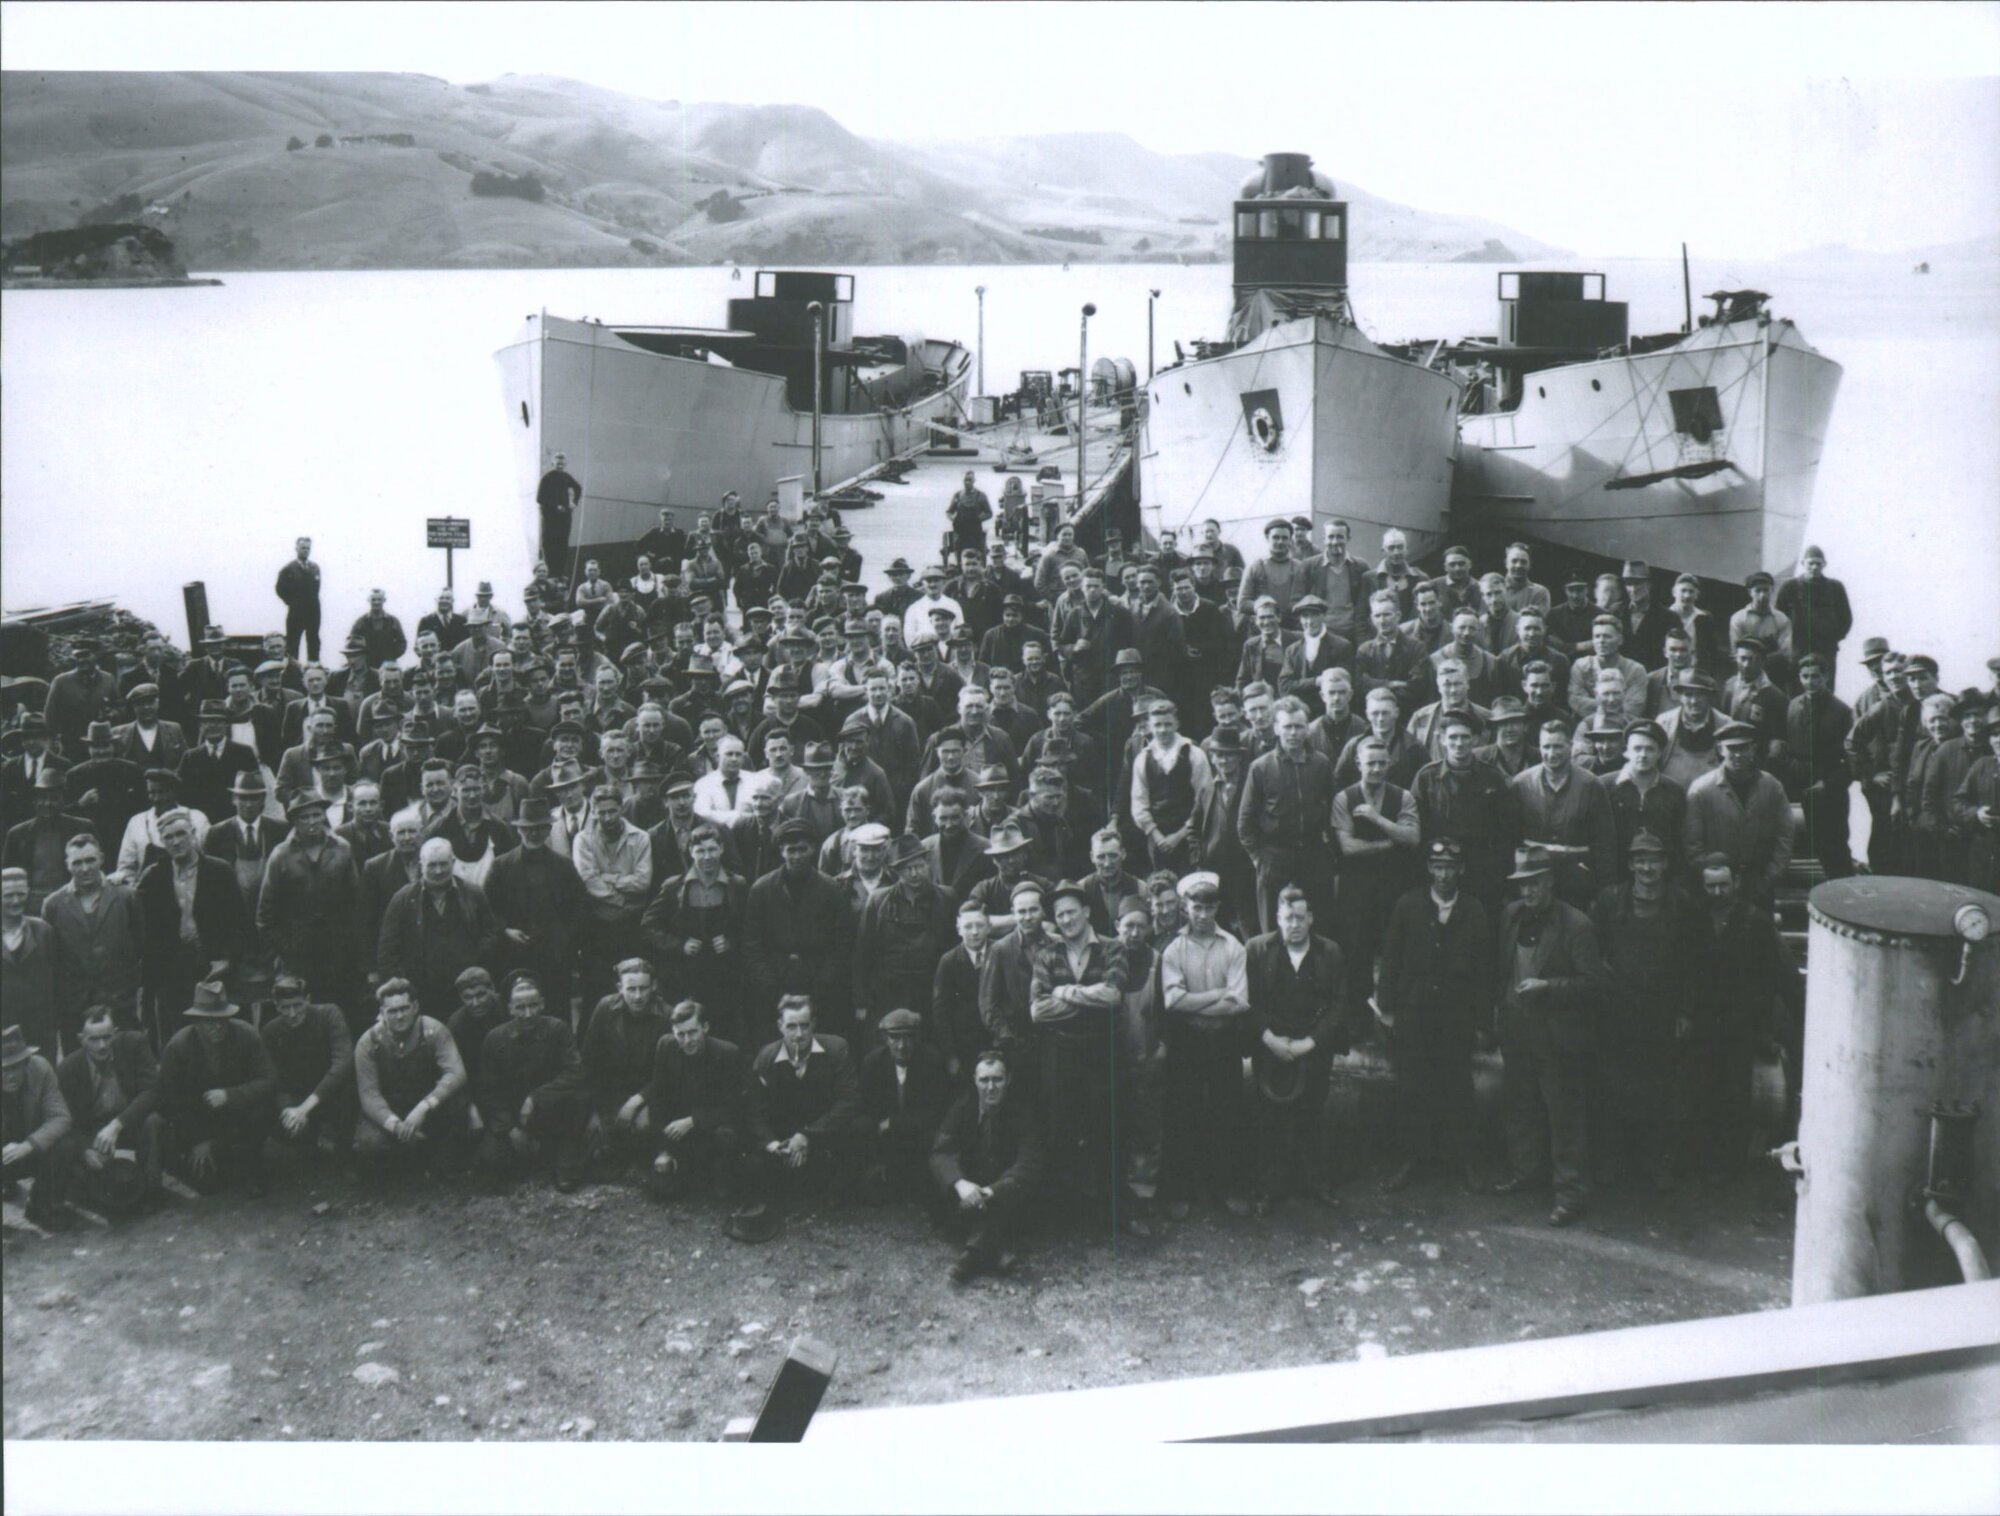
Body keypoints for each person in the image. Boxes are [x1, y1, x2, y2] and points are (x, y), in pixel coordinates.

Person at [1492, 846, 1606, 1227]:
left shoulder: (1577, 925)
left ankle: (1571, 1194)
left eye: (1535, 884)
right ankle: (1527, 1173)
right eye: (1522, 885)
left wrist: (1548, 987)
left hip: (1556, 1034)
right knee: (1520, 1103)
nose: (1528, 892)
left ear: (1551, 883)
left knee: (1564, 1115)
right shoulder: (1510, 916)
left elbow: (1593, 985)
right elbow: (1501, 969)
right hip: (1516, 1028)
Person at [1679, 855, 1797, 1183]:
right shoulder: (1695, 917)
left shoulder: (1755, 921)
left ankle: (1731, 1165)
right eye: (1711, 886)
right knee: (1703, 1090)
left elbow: (1769, 979)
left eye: (1724, 885)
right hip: (1704, 1022)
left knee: (1735, 1094)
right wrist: (1687, 1013)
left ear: (1736, 883)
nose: (1718, 892)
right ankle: (1703, 1160)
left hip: (1740, 1022)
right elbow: (1686, 970)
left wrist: (1762, 1028)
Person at [1589, 833, 1686, 1191]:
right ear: (1630, 865)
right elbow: (1592, 954)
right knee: (1612, 1085)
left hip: (1661, 1009)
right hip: (1618, 1009)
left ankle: (1654, 1161)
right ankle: (1612, 1160)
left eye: (1654, 860)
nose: (1647, 868)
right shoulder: (1609, 901)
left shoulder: (1680, 904)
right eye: (1640, 860)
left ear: (1665, 864)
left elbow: (1694, 964)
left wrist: (1684, 1011)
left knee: (1658, 1088)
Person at [1242, 883, 1345, 1209]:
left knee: (1312, 1114)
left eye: (1300, 917)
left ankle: (1316, 1183)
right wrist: (1270, 1040)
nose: (1294, 924)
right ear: (1277, 918)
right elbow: (1248, 1002)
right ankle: (1270, 1188)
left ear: (1311, 918)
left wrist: (1309, 1044)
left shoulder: (1330, 952)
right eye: (1288, 918)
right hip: (1271, 1047)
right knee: (1270, 1118)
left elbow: (1338, 1006)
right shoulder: (1257, 950)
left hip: (1312, 1047)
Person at [1030, 879, 1128, 1221]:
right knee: (1061, 1128)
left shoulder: (1112, 949)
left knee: (1106, 1127)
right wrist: (1089, 996)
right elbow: (1037, 1010)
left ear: (1087, 912)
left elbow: (1114, 996)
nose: (1066, 919)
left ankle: (1112, 1211)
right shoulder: (1047, 955)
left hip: (1103, 1052)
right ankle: (1066, 1211)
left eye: (1071, 912)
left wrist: (1066, 993)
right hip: (1061, 1052)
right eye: (1059, 915)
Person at [136, 807, 248, 1045]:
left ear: (194, 833)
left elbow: (238, 922)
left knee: (218, 1035)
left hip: (213, 968)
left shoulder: (219, 871)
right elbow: (145, 932)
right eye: (168, 837)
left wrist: (227, 959)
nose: (176, 842)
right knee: (177, 1038)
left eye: (181, 834)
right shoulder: (153, 877)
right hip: (172, 971)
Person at [154, 980, 277, 1195]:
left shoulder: (246, 1035)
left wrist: (230, 1095)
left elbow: (269, 1079)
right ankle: (199, 1161)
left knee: (263, 1110)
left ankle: (248, 1163)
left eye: (222, 1019)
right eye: (209, 1021)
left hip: (236, 1115)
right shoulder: (178, 1047)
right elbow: (168, 1101)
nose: (217, 1026)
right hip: (196, 1120)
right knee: (209, 1186)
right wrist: (198, 1139)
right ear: (196, 1021)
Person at [931, 1049, 1043, 1284]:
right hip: (968, 1192)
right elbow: (941, 1152)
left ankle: (971, 1256)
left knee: (1005, 1202)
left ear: (1008, 1080)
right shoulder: (962, 1108)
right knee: (948, 1199)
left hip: (1005, 1193)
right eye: (984, 1080)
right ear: (974, 1080)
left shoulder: (1023, 1111)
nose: (990, 1087)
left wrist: (993, 1191)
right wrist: (960, 1184)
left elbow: (1029, 1163)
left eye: (997, 1080)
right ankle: (996, 1252)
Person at [258, 792, 364, 1025]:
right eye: (304, 817)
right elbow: (265, 916)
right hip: (297, 955)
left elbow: (356, 903)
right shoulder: (281, 855)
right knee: (301, 1014)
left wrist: (348, 942)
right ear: (294, 821)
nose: (312, 821)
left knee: (340, 1011)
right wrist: (287, 949)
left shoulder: (342, 849)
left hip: (338, 951)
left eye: (316, 815)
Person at [473, 973, 587, 1191]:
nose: (527, 1014)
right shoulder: (495, 1039)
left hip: (551, 1108)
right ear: (510, 1009)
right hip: (513, 1113)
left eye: (533, 1006)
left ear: (542, 1004)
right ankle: (530, 1151)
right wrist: (510, 1129)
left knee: (577, 1100)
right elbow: (488, 1090)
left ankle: (564, 1161)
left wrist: (536, 1098)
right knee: (490, 1161)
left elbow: (575, 1071)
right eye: (520, 1007)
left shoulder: (558, 1029)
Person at [745, 995, 863, 1202]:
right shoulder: (766, 1057)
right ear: (780, 1026)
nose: (798, 1034)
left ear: (814, 1025)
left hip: (823, 1131)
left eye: (804, 1026)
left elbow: (848, 1102)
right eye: (791, 1026)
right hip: (785, 1137)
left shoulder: (837, 1049)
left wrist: (807, 1135)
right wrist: (775, 1145)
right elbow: (756, 1111)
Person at [351, 976, 470, 1174]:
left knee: (457, 1106)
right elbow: (369, 1094)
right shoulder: (369, 1042)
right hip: (391, 1107)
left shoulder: (433, 1030)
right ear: (382, 1013)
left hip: (426, 1105)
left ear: (415, 1007)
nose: (399, 1016)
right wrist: (394, 1125)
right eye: (393, 1011)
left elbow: (456, 1073)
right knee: (369, 1144)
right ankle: (406, 1162)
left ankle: (435, 1157)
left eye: (404, 1008)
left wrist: (424, 1107)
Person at [375, 836, 499, 1021]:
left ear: (453, 862)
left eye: (444, 864)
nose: (438, 871)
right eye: (432, 865)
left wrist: (476, 964)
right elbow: (388, 949)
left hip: (465, 993)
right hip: (421, 993)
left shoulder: (473, 894)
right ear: (421, 864)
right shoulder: (402, 899)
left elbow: (490, 933)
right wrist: (401, 989)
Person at [1237, 696, 1334, 931]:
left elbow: (1330, 808)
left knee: (1317, 923)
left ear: (1307, 729)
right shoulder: (1261, 767)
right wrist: (1259, 859)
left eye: (1299, 726)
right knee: (1272, 928)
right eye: (1287, 726)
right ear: (1277, 728)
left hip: (1312, 856)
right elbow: (1245, 821)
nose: (1293, 733)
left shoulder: (1321, 764)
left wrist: (1326, 851)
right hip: (1275, 857)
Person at [57, 1004, 164, 1215]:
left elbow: (152, 1091)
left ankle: (152, 1193)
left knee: (153, 1121)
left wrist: (117, 1125)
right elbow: (63, 1119)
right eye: (93, 1039)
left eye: (107, 1037)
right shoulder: (68, 1068)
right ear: (81, 1039)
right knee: (89, 1184)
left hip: (129, 1121)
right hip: (94, 1132)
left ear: (115, 1033)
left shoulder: (135, 1044)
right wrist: (84, 1150)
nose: (102, 1045)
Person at [43, 834, 145, 1050]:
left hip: (120, 1003)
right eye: (77, 862)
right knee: (79, 1072)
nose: (85, 868)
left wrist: (129, 988)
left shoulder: (126, 896)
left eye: (90, 860)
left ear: (101, 859)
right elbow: (52, 959)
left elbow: (141, 947)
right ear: (67, 865)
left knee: (126, 1062)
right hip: (74, 1008)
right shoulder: (53, 905)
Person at [640, 997, 746, 1200]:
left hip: (714, 1127)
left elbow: (736, 1107)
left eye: (692, 1033)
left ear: (705, 1027)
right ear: (673, 1031)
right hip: (679, 1131)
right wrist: (663, 1150)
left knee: (726, 1140)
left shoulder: (727, 1053)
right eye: (680, 1034)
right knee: (660, 1192)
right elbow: (659, 1099)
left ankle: (718, 1173)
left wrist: (694, 1121)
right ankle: (685, 1168)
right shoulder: (666, 1046)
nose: (687, 1041)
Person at [1684, 720, 1795, 907]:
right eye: (1731, 748)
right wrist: (1713, 878)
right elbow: (1692, 843)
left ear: (1753, 748)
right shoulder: (1701, 790)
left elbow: (1785, 834)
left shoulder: (1771, 786)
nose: (1738, 755)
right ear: (1720, 750)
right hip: (1717, 885)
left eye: (1744, 748)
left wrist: (1771, 876)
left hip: (1759, 880)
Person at [580, 957, 674, 1166]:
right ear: (619, 988)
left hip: (647, 1092)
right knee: (592, 1142)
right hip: (610, 1090)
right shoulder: (605, 1008)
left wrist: (637, 1101)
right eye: (631, 989)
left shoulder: (667, 1015)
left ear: (654, 986)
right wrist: (594, 1108)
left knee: (642, 1126)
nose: (638, 996)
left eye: (643, 988)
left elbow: (667, 1074)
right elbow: (589, 1061)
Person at [858, 1006, 951, 1202]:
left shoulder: (931, 1060)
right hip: (883, 1136)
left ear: (917, 1037)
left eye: (908, 1037)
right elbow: (867, 1107)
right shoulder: (872, 1063)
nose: (902, 1045)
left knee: (933, 1137)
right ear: (885, 1038)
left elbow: (935, 1111)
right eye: (895, 1037)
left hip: (915, 1133)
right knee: (861, 1126)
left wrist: (895, 1122)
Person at [259, 973, 354, 1157]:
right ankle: (309, 1140)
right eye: (285, 1007)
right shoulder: (270, 1031)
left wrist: (305, 1109)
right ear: (276, 1006)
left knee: (349, 1090)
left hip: (330, 1093)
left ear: (308, 1000)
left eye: (297, 1005)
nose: (293, 1014)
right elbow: (273, 1077)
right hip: (297, 1096)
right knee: (270, 1115)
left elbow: (343, 1062)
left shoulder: (329, 1014)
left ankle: (344, 1154)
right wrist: (289, 1111)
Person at [1782, 653, 1854, 878]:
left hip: (1829, 792)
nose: (1810, 681)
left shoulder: (1842, 712)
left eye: (1815, 676)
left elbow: (1852, 761)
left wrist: (1829, 785)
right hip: (1799, 789)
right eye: (1805, 676)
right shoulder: (1793, 706)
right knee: (1803, 845)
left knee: (1834, 850)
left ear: (1826, 676)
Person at [2, 1022, 77, 1229]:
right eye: (2, 1068)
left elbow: (61, 1118)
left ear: (26, 1062)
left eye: (15, 1066)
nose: (9, 1074)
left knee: (66, 1145)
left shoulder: (40, 1068)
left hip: (29, 1150)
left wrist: (28, 1145)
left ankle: (40, 1203)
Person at [2, 868, 61, 1062]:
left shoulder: (43, 931)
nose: (15, 901)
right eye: (8, 895)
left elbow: (56, 979)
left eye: (20, 894)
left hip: (39, 1028)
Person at [274, 536, 324, 662]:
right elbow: (279, 589)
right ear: (296, 548)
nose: (305, 550)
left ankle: (313, 667)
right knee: (293, 643)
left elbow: (316, 588)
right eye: (303, 548)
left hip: (313, 611)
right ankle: (292, 670)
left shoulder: (315, 568)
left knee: (313, 641)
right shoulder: (288, 569)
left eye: (308, 548)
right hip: (296, 612)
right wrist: (291, 602)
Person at [537, 452, 582, 581]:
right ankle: (550, 573)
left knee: (562, 544)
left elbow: (578, 488)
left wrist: (574, 503)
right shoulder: (547, 478)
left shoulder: (566, 477)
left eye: (562, 464)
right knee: (549, 544)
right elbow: (540, 498)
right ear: (553, 464)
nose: (560, 466)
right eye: (557, 464)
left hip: (564, 517)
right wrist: (555, 506)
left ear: (565, 465)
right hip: (550, 518)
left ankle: (560, 573)